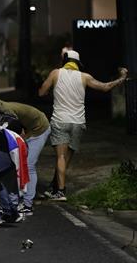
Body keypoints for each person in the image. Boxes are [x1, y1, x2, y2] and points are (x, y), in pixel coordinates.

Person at [39, 50, 128, 201]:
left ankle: (60, 191)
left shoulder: (55, 73)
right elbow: (105, 87)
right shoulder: (85, 77)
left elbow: (41, 92)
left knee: (60, 156)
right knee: (66, 159)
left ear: (65, 61)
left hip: (60, 120)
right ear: (78, 63)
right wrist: (122, 77)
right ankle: (54, 188)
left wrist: (52, 91)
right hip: (78, 123)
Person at [0, 96, 50, 216]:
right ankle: (13, 201)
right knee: (12, 164)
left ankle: (27, 204)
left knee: (28, 165)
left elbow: (19, 132)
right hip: (24, 130)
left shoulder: (4, 110)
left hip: (37, 128)